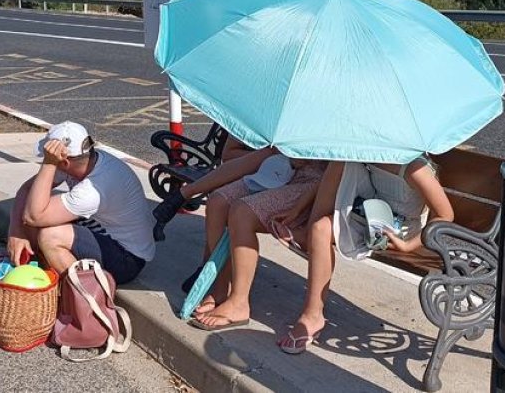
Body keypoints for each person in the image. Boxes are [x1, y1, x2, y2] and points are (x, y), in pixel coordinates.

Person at [273, 156, 453, 354]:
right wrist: (297, 209)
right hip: (371, 213)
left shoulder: (414, 168)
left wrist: (408, 245)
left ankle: (310, 314)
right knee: (321, 222)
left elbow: (445, 215)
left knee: (344, 162)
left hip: (400, 230)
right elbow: (329, 181)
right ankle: (312, 315)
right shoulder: (371, 151)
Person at [5, 121, 155, 284]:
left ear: (64, 162)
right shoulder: (86, 161)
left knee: (50, 236)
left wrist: (49, 164)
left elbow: (33, 216)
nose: (46, 162)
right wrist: (16, 232)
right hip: (100, 230)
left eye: (49, 159)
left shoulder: (93, 190)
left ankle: (85, 294)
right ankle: (47, 273)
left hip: (127, 257)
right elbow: (27, 190)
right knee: (37, 204)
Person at [189, 155, 327, 330]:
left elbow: (334, 175)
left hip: (315, 185)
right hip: (280, 169)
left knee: (242, 212)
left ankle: (239, 302)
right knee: (218, 201)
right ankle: (220, 287)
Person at [152, 138, 282, 241]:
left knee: (238, 210)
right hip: (251, 177)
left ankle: (181, 195)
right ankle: (208, 266)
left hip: (285, 183)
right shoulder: (256, 113)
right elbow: (228, 154)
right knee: (218, 201)